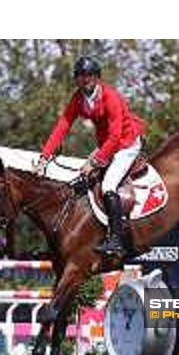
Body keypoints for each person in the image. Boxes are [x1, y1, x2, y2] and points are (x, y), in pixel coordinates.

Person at [34, 56, 146, 257]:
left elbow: (115, 136)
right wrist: (44, 158)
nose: (84, 79)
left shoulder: (110, 96)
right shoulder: (78, 98)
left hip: (126, 143)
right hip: (107, 144)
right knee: (81, 180)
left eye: (89, 75)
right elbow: (62, 126)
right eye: (80, 76)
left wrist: (94, 161)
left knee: (108, 185)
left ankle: (116, 239)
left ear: (96, 77)